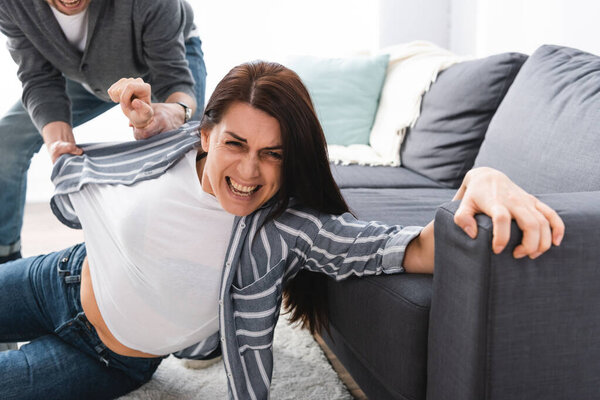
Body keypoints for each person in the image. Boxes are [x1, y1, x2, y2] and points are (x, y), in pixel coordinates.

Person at [0, 61, 564, 400]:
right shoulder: (173, 145)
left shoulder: (289, 230)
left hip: (107, 356)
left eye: (272, 155)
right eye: (236, 145)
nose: (248, 172)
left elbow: (416, 250)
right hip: (61, 274)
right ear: (205, 136)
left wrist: (484, 178)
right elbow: (114, 165)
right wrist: (145, 120)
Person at [0, 0, 207, 266]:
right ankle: (6, 264)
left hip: (163, 58)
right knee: (6, 142)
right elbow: (39, 79)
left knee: (187, 149)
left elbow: (176, 82)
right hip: (85, 73)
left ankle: (181, 262)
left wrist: (172, 113)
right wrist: (59, 145)